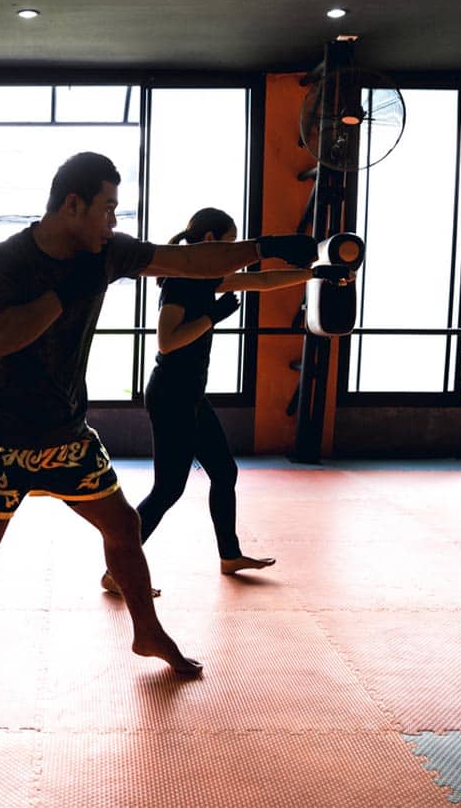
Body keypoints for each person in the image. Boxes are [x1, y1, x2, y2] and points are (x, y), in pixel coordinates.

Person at [0, 151, 319, 726]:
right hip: (6, 441)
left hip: (71, 434)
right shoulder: (9, 261)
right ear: (73, 205)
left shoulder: (108, 252)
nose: (113, 222)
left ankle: (146, 634)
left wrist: (265, 247)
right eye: (107, 209)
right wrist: (65, 293)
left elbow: (187, 261)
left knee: (123, 528)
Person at [115, 206, 350, 588]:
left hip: (190, 393)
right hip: (171, 394)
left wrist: (314, 274)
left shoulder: (205, 277)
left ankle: (229, 555)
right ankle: (118, 571)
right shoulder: (180, 279)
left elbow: (260, 281)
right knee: (168, 490)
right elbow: (167, 341)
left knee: (224, 472)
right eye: (228, 243)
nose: (231, 254)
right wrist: (212, 317)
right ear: (209, 241)